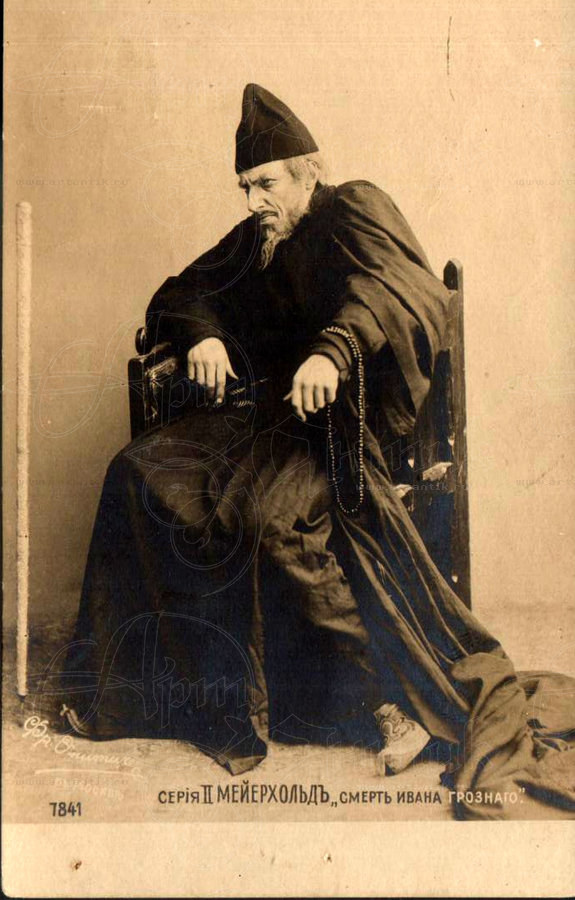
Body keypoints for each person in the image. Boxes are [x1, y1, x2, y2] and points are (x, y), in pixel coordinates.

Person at [61, 84, 575, 819]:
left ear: (308, 172)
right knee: (137, 472)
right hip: (264, 421)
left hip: (341, 428)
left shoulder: (352, 207)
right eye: (245, 187)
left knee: (271, 521)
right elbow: (183, 289)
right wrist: (202, 335)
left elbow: (400, 290)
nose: (254, 201)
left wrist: (334, 351)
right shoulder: (257, 239)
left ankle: (390, 704)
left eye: (266, 184)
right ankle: (144, 692)